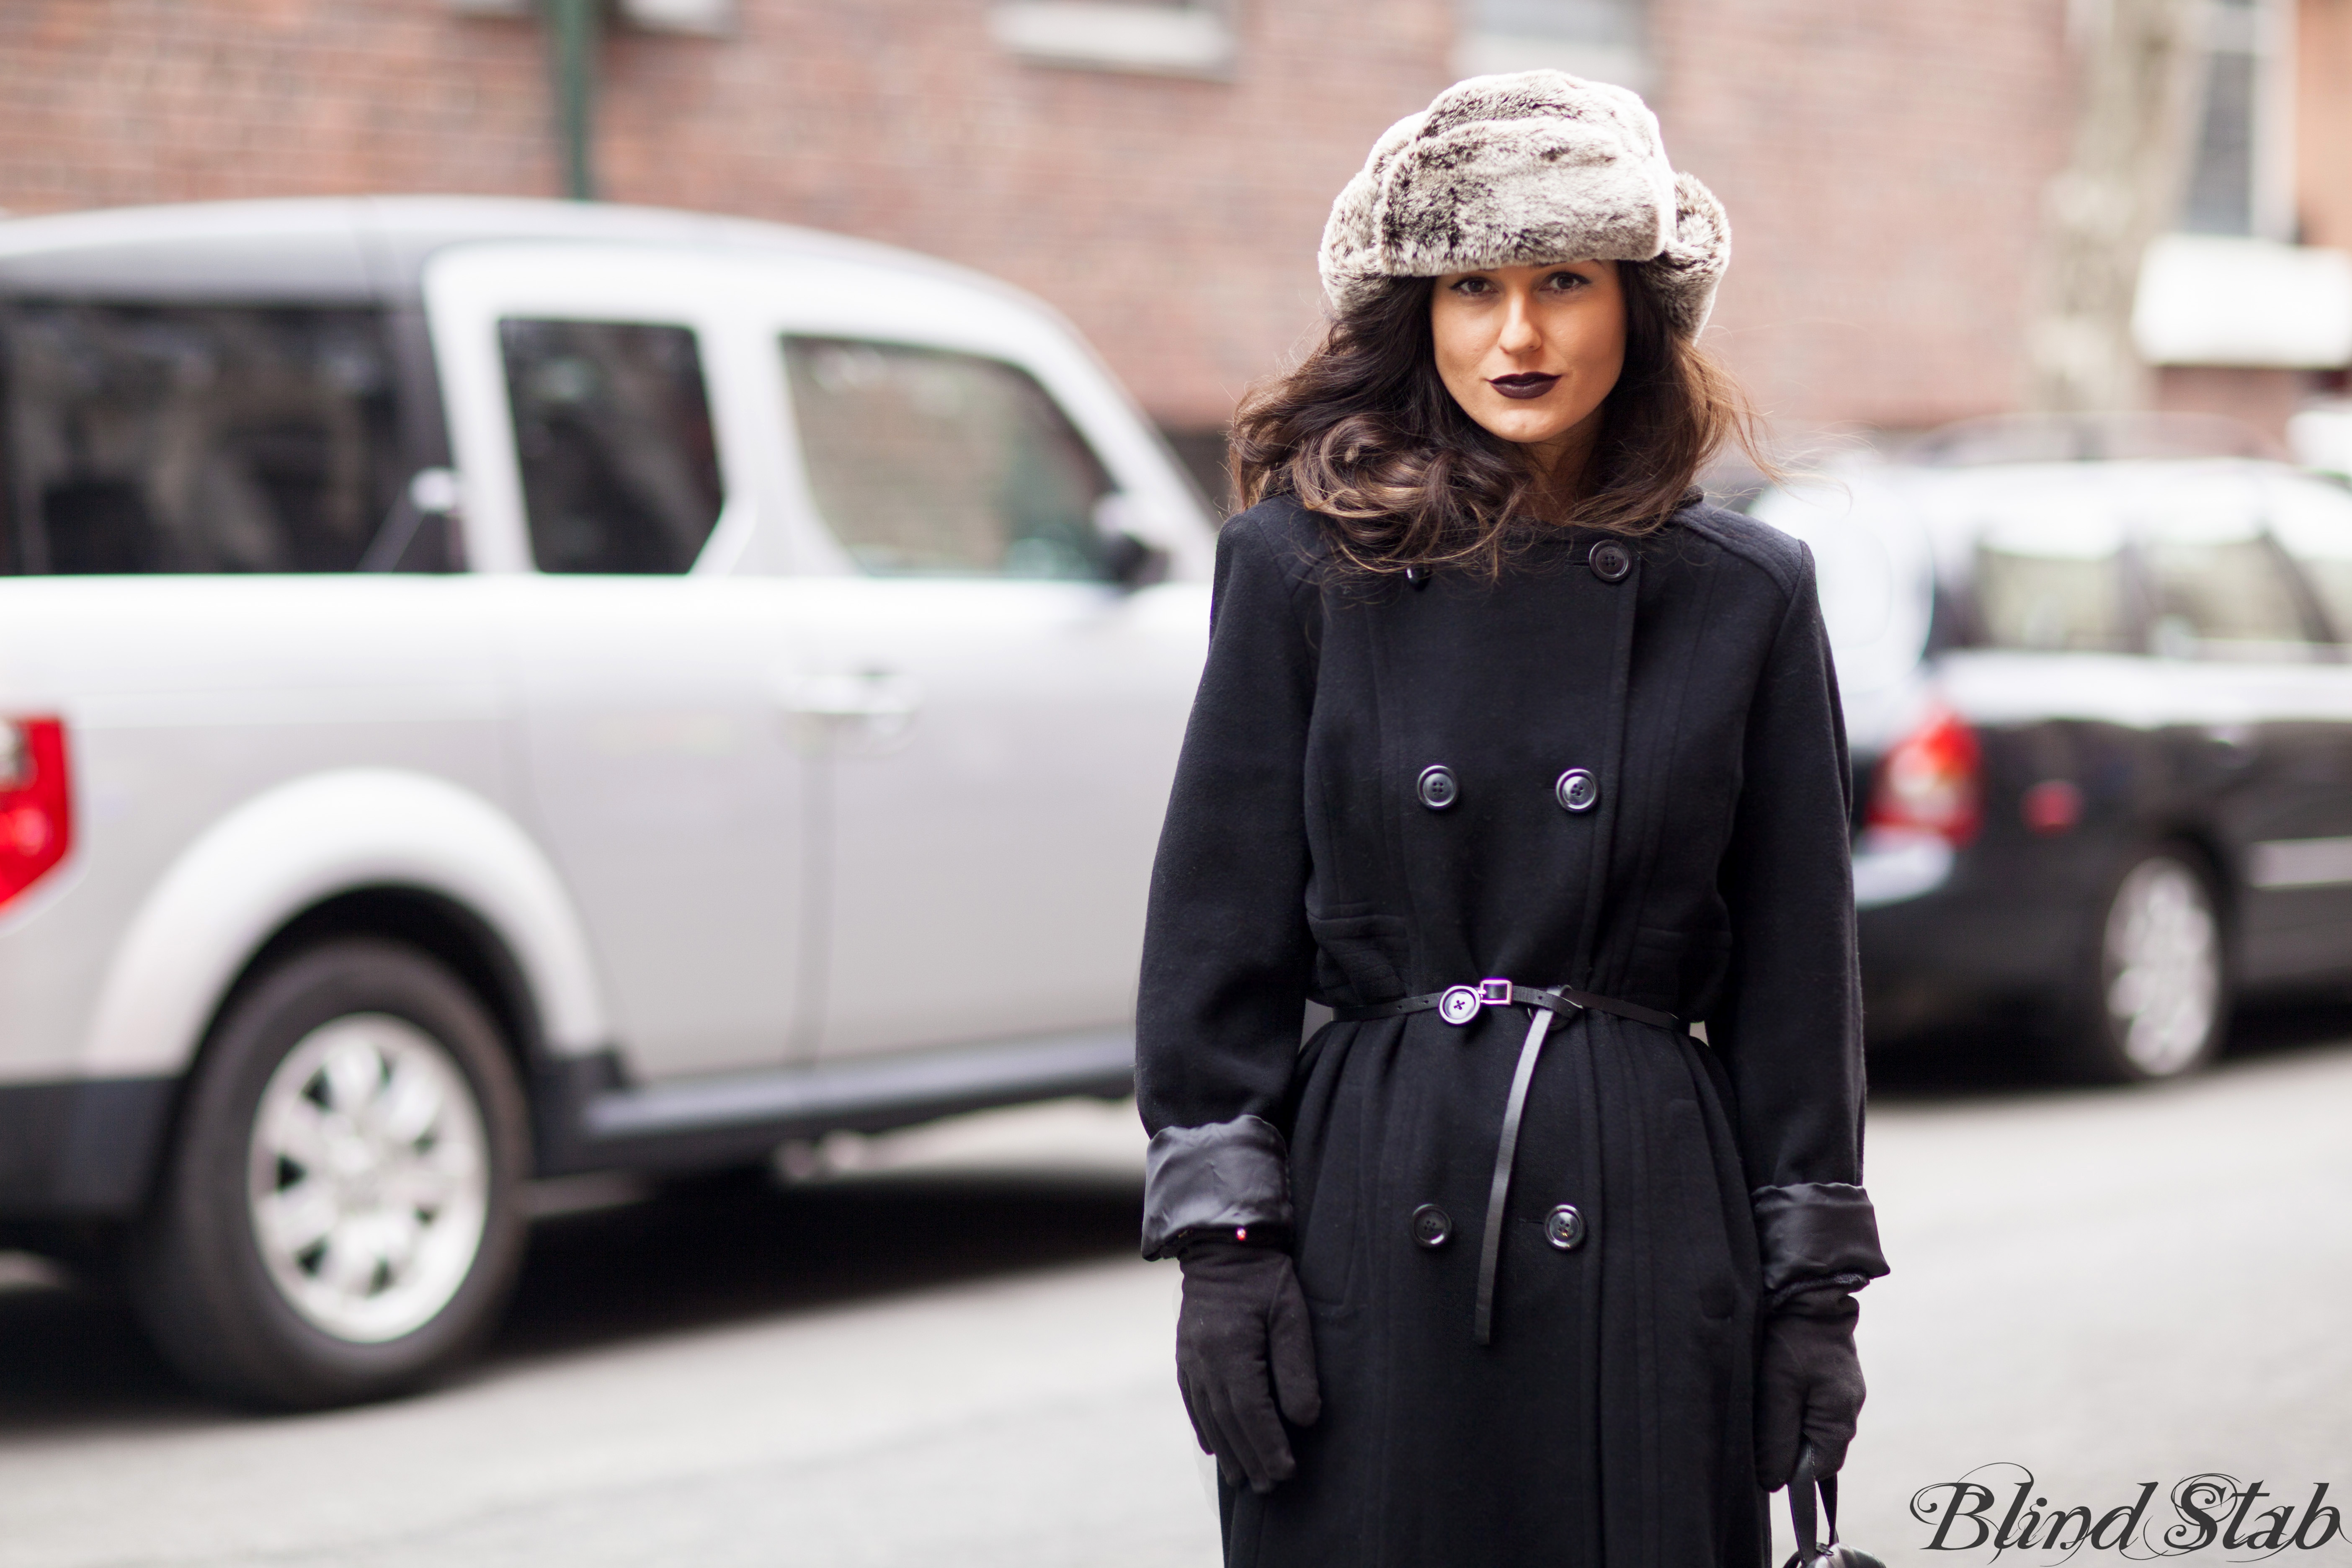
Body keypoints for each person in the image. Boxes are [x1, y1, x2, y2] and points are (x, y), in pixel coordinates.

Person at [1134, 70, 1890, 1567]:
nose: (1519, 333)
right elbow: (1215, 932)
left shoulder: (1739, 594)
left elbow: (1800, 980)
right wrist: (1226, 1245)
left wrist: (1812, 1296)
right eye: (1472, 285)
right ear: (1415, 309)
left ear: (1640, 305)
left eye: (1565, 281)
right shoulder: (1297, 571)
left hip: (1646, 1204)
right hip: (1375, 1202)